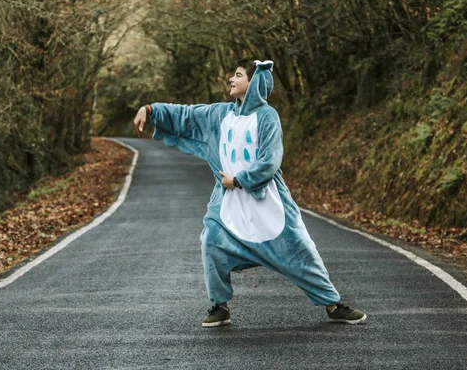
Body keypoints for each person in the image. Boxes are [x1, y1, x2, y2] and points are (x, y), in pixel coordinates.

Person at [133, 59, 366, 327]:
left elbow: (270, 160)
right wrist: (150, 110)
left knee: (301, 252)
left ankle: (333, 305)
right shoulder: (221, 114)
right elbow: (187, 115)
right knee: (212, 242)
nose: (231, 79)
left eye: (238, 75)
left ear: (253, 83)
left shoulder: (268, 117)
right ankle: (219, 306)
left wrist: (239, 181)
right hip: (229, 205)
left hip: (270, 206)